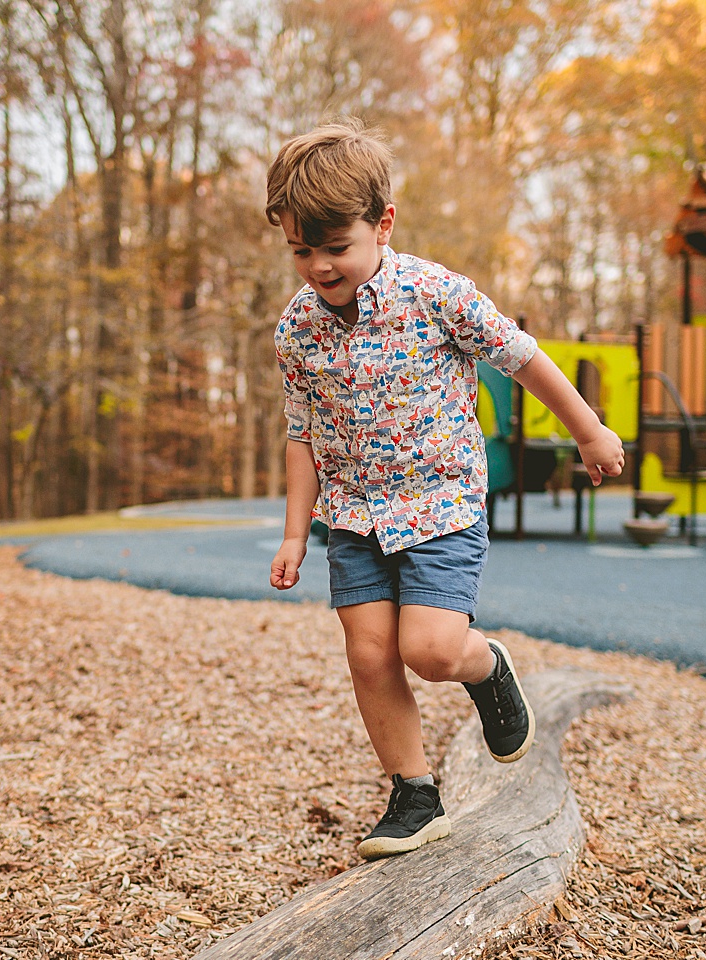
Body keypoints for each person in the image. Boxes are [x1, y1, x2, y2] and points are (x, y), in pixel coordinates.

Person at [266, 118, 625, 860]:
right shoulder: (297, 329)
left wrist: (588, 430)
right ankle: (414, 793)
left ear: (383, 223)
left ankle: (487, 668)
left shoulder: (436, 294)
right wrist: (297, 532)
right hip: (356, 516)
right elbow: (300, 433)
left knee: (429, 650)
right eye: (302, 249)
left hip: (442, 507)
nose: (318, 267)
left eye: (336, 248)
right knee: (369, 655)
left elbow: (524, 360)